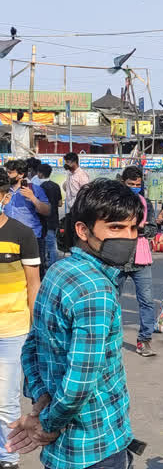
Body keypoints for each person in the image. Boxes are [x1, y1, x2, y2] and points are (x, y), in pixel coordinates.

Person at [11, 179, 141, 469]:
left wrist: (41, 402)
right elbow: (79, 383)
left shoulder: (58, 269)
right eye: (116, 228)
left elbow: (32, 347)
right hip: (96, 445)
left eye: (133, 228)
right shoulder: (97, 290)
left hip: (64, 450)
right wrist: (47, 424)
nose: (128, 238)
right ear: (83, 230)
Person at [0, 168, 41, 469]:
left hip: (12, 330)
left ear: (4, 196)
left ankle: (8, 456)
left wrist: (34, 329)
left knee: (4, 400)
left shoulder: (21, 234)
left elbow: (33, 283)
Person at [117, 166, 158, 357]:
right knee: (111, 302)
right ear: (122, 182)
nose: (134, 187)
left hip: (140, 260)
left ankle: (145, 340)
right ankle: (111, 339)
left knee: (147, 301)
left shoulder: (146, 203)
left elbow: (152, 230)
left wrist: (131, 229)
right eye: (130, 184)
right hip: (116, 259)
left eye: (138, 185)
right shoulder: (113, 203)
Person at [5, 160, 51, 273]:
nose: (7, 175)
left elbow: (47, 211)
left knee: (34, 272)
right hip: (9, 238)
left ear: (21, 174)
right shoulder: (4, 190)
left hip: (32, 238)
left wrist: (33, 198)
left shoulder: (35, 189)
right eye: (7, 172)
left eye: (10, 173)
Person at [37, 164, 61, 272]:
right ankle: (52, 263)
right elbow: (60, 203)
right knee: (52, 243)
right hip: (54, 218)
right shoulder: (56, 186)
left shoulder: (40, 187)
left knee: (49, 245)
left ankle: (52, 265)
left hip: (45, 220)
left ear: (40, 173)